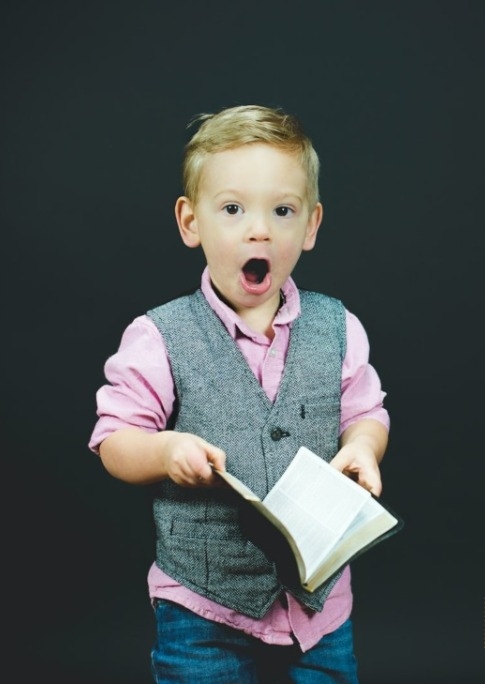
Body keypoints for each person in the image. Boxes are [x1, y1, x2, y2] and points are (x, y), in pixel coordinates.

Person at [89, 104, 390, 683]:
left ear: (311, 226)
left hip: (318, 607)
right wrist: (164, 451)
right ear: (190, 222)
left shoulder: (339, 326)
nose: (260, 229)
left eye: (282, 210)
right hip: (203, 606)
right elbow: (113, 440)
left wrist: (364, 447)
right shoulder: (160, 335)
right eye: (232, 209)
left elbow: (366, 410)